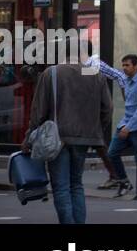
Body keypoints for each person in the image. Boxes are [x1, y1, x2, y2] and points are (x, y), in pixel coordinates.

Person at [23, 62, 113, 224]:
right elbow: (108, 108)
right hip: (84, 137)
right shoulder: (94, 73)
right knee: (76, 184)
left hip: (57, 138)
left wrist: (29, 136)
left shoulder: (52, 72)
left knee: (61, 187)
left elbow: (38, 110)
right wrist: (94, 128)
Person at [96, 54, 137, 201]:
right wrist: (125, 126)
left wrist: (129, 127)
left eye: (127, 65)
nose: (124, 68)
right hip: (125, 123)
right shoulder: (125, 81)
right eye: (123, 65)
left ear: (136, 66)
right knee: (112, 153)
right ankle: (124, 182)